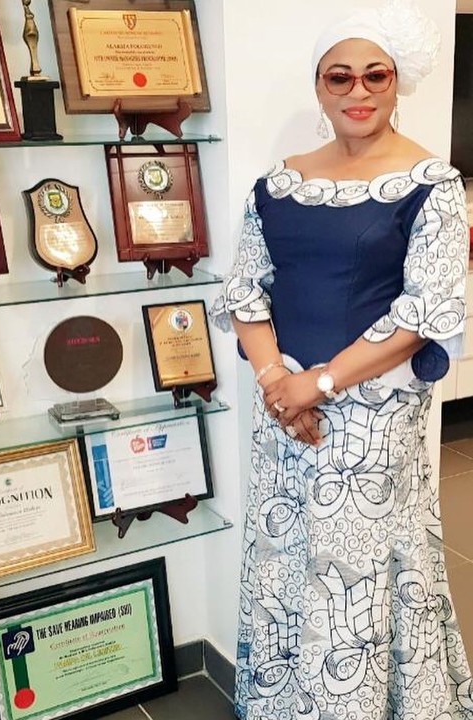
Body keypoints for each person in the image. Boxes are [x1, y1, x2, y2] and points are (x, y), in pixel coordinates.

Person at [210, 1, 473, 718]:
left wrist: (317, 384)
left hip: (372, 414)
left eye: (374, 76)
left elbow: (422, 313)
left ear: (396, 82)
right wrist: (277, 380)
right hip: (284, 407)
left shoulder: (432, 184)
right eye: (340, 77)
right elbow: (245, 291)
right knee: (284, 555)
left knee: (356, 569)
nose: (358, 91)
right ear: (319, 87)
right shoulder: (279, 183)